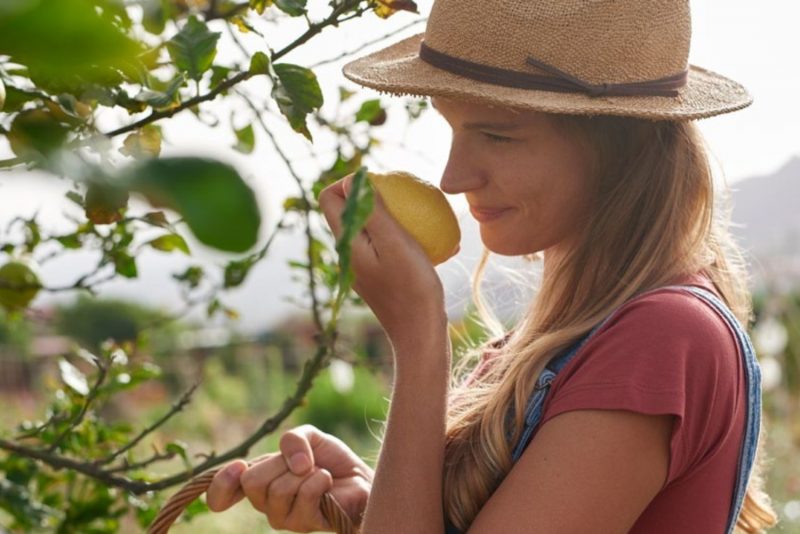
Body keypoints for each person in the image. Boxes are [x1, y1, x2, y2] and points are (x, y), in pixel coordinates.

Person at [206, 0, 781, 532]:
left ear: (619, 148)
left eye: (497, 135)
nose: (454, 177)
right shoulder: (555, 342)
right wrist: (372, 499)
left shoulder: (663, 339)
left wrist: (419, 336)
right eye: (452, 127)